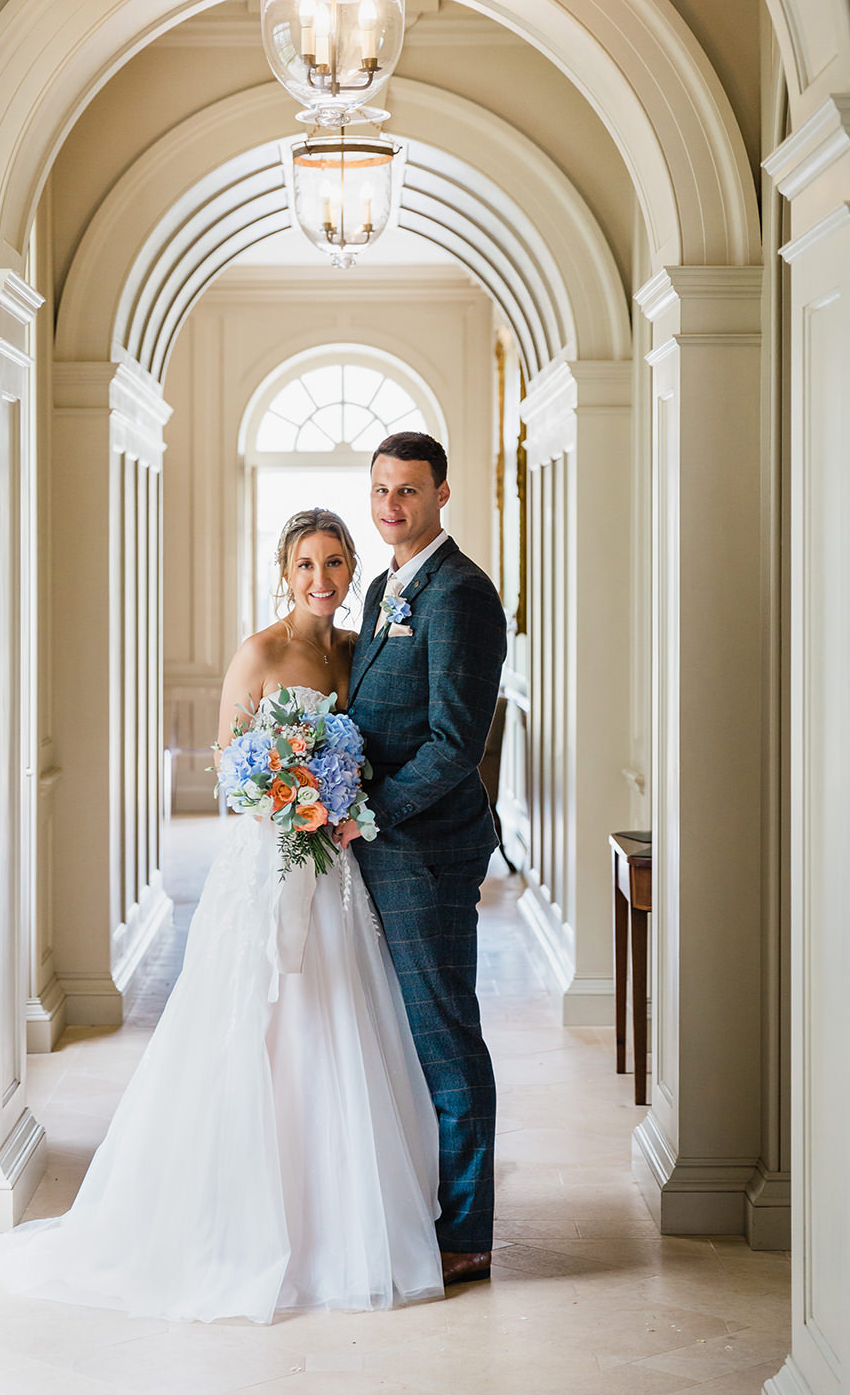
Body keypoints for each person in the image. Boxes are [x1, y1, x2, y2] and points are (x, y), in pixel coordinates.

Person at [0, 508, 444, 1323]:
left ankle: (338, 1215)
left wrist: (334, 798)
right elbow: (228, 770)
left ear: (352, 570)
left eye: (336, 562)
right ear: (283, 570)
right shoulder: (260, 653)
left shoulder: (357, 650)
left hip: (336, 866)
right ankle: (238, 1220)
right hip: (268, 862)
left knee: (340, 1021)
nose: (322, 579)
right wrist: (290, 798)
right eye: (306, 563)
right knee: (256, 1023)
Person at [340, 432, 507, 1287]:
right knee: (393, 1038)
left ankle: (468, 1232)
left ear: (443, 494)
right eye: (380, 490)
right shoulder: (385, 587)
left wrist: (368, 810)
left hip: (424, 852)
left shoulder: (462, 595)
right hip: (374, 843)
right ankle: (414, 1203)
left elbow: (453, 744)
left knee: (444, 1039)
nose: (390, 506)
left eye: (408, 491)